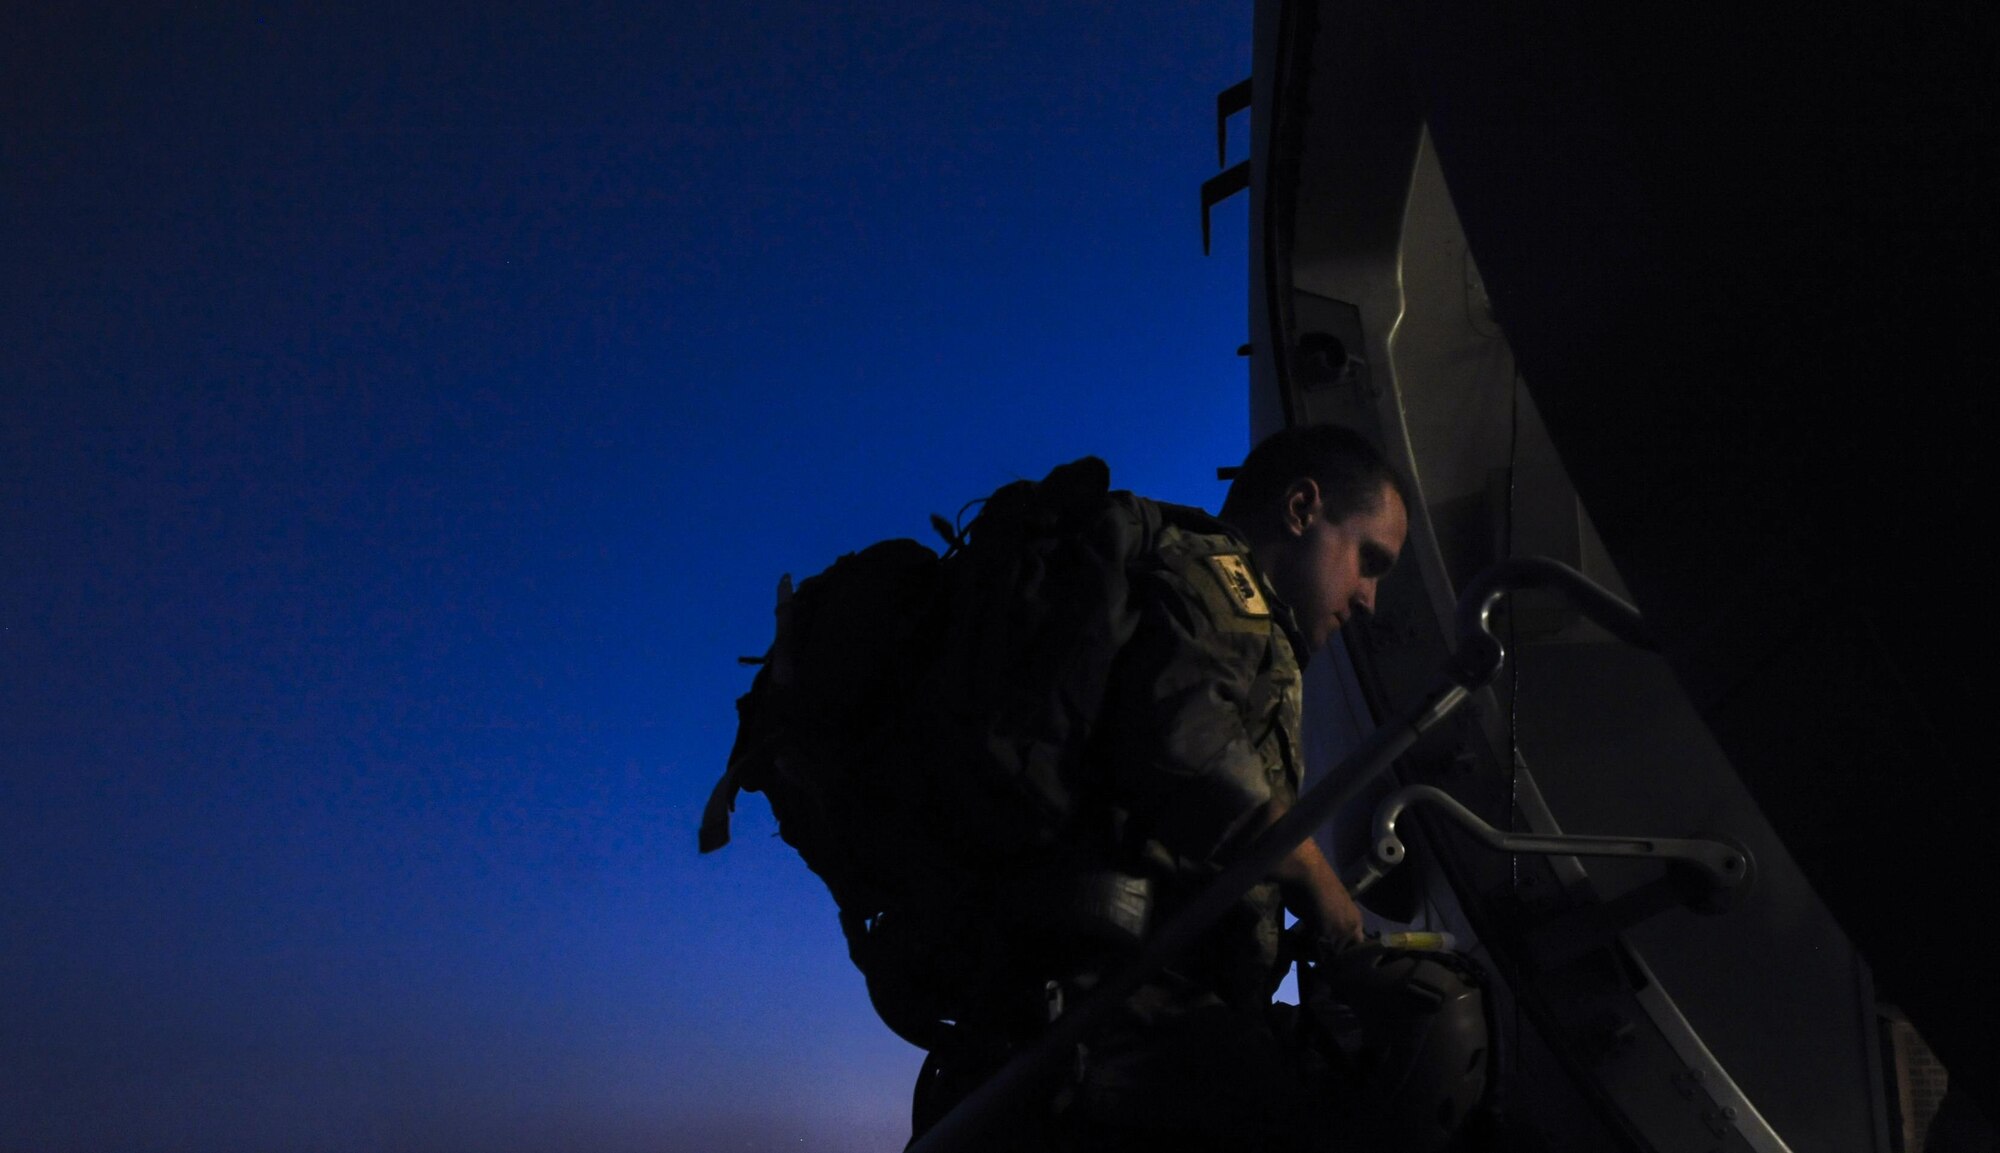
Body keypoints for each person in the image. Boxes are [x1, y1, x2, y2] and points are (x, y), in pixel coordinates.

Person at [910, 423, 1414, 1152]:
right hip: (1123, 1018)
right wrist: (1314, 877)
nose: (1368, 598)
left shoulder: (1249, 625)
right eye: (1369, 560)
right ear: (1302, 509)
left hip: (1125, 1009)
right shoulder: (1219, 585)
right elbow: (1184, 743)